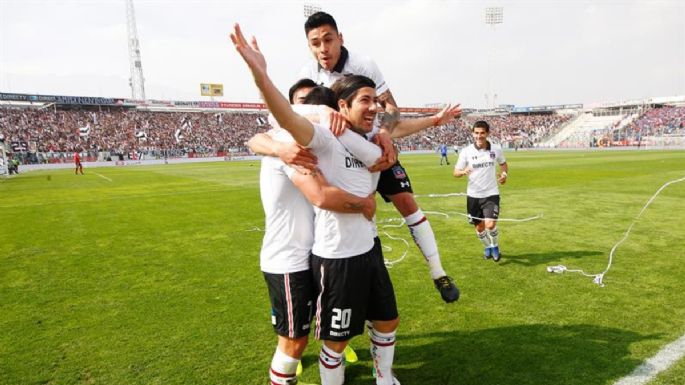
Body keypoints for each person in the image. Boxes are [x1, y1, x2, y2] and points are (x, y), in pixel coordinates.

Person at [231, 23, 400, 385]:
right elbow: (321, 196)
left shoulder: (336, 140)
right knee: (295, 342)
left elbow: (377, 140)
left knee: (328, 333)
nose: (312, 108)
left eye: (318, 103)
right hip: (290, 257)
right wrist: (261, 76)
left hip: (318, 252)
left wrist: (386, 133)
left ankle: (380, 374)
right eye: (305, 104)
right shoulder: (291, 144)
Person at [298, 11, 460, 303]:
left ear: (340, 38)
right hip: (341, 150)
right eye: (315, 43)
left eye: (328, 39)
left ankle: (438, 272)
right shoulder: (309, 73)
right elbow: (298, 111)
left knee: (407, 202)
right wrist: (324, 112)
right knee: (333, 214)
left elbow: (392, 109)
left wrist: (384, 132)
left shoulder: (362, 64)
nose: (323, 49)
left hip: (375, 146)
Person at [453, 121, 508, 262]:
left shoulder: (496, 149)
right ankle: (487, 247)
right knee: (479, 228)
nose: (479, 136)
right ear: (473, 134)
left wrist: (504, 175)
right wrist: (463, 172)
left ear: (487, 133)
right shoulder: (466, 151)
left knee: (490, 224)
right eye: (476, 133)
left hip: (491, 194)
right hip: (473, 195)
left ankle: (495, 246)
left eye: (482, 133)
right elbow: (455, 172)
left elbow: (503, 164)